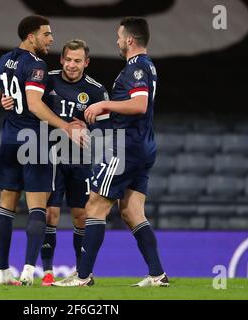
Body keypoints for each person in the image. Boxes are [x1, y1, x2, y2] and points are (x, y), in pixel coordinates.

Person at [52, 17, 169, 287]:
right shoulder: (147, 66)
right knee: (132, 212)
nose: (117, 41)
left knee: (94, 206)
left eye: (119, 37)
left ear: (129, 40)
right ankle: (157, 274)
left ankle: (82, 276)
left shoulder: (136, 68)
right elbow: (135, 109)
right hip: (143, 147)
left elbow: (138, 105)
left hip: (126, 148)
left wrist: (105, 104)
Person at [0, 15, 86, 286]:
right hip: (34, 142)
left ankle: (2, 272)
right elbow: (34, 104)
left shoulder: (1, 61)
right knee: (37, 208)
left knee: (5, 206)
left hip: (8, 140)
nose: (51, 39)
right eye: (47, 34)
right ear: (31, 36)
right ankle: (29, 271)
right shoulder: (37, 65)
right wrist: (66, 126)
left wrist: (8, 100)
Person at [3, 39, 109, 286]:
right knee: (50, 213)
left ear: (86, 62)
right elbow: (23, 101)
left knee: (81, 216)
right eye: (68, 59)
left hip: (81, 160)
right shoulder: (45, 79)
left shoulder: (96, 91)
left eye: (78, 61)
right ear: (61, 59)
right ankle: (48, 271)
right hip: (47, 157)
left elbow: (106, 129)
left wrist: (89, 128)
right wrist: (7, 101)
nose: (72, 65)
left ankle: (82, 273)